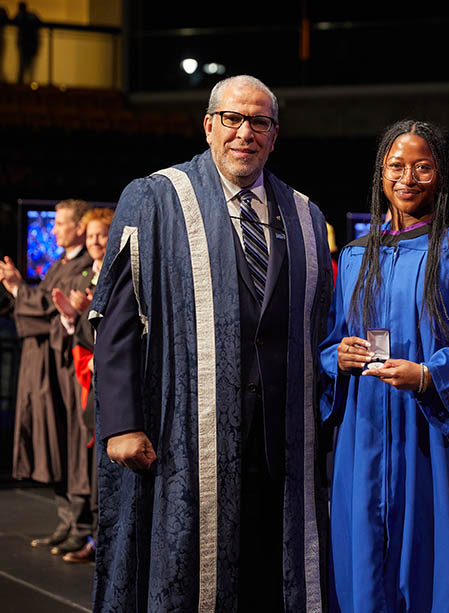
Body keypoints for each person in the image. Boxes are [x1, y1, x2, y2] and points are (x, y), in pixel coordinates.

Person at [90, 75, 333, 611]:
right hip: (182, 434)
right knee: (187, 575)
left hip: (277, 442)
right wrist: (123, 423)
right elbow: (117, 321)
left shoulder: (304, 214)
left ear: (274, 135)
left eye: (259, 122)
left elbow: (318, 326)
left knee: (266, 578)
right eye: (233, 119)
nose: (245, 132)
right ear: (209, 125)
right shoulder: (155, 198)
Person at [319, 119, 449, 611]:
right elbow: (331, 338)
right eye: (396, 166)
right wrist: (337, 357)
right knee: (363, 559)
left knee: (437, 559)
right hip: (366, 430)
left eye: (422, 167)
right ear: (381, 175)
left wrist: (427, 375)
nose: (407, 178)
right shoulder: (357, 255)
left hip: (432, 431)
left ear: (439, 175)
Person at [0, 199, 94, 556]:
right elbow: (42, 304)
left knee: (70, 440)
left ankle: (82, 526)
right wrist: (19, 290)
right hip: (46, 366)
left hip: (68, 368)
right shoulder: (62, 263)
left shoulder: (84, 267)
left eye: (59, 223)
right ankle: (67, 521)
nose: (52, 230)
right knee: (54, 441)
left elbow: (45, 310)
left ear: (79, 227)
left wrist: (16, 290)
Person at [51, 206, 115, 564]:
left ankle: (101, 538)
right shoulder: (92, 273)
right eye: (90, 235)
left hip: (110, 375)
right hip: (91, 373)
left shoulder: (116, 272)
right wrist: (72, 315)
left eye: (100, 235)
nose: (94, 241)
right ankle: (91, 534)